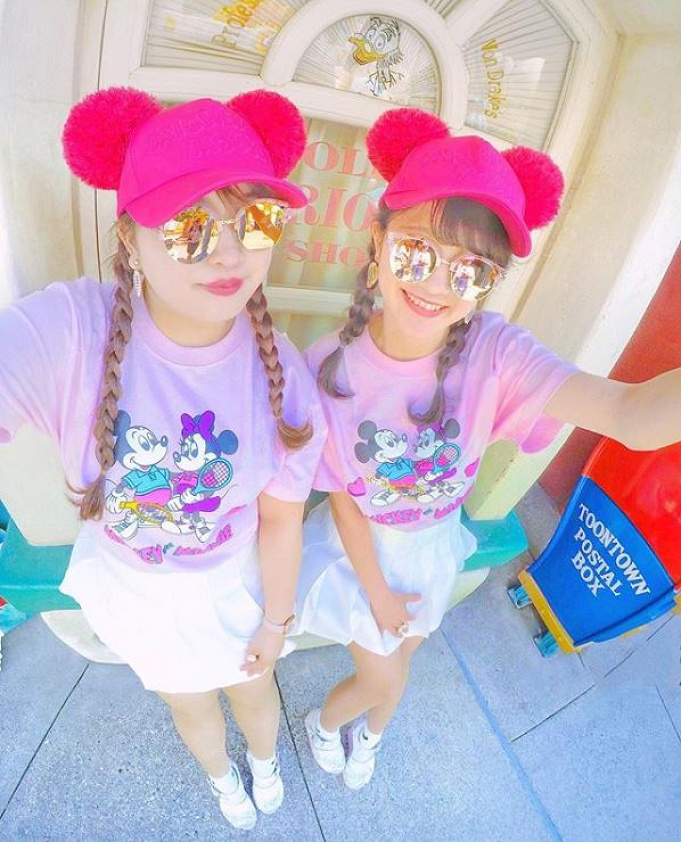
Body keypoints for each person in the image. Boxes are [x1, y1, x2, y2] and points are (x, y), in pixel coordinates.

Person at [297, 106, 681, 790]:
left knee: (403, 663)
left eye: (469, 271)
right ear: (377, 240)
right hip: (364, 554)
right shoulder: (327, 369)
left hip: (434, 543)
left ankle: (373, 736)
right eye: (416, 252)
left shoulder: (494, 351)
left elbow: (629, 414)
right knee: (381, 674)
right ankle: (325, 725)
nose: (434, 284)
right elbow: (342, 499)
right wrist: (378, 592)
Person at [0, 87, 326, 830]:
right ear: (130, 235)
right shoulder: (74, 333)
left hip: (234, 583)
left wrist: (276, 623)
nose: (229, 253)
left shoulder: (284, 374)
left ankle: (267, 762)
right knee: (190, 707)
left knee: (255, 691)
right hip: (135, 591)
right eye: (188, 226)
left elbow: (281, 520)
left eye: (256, 220)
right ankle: (223, 781)